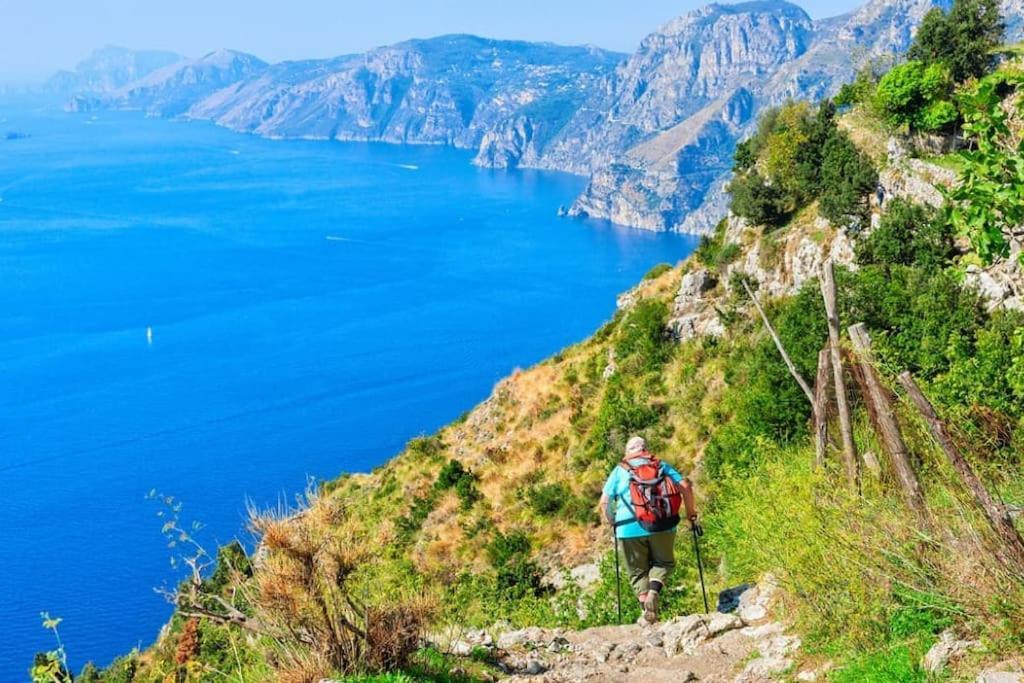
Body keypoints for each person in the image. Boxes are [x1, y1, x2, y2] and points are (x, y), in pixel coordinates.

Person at [600, 435, 698, 624]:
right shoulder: (660, 465)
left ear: (627, 453)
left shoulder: (620, 469)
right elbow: (685, 486)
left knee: (637, 572)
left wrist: (613, 522)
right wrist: (691, 513)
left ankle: (647, 612)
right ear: (646, 449)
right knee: (664, 563)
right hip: (662, 524)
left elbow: (604, 503)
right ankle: (654, 592)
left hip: (628, 528)